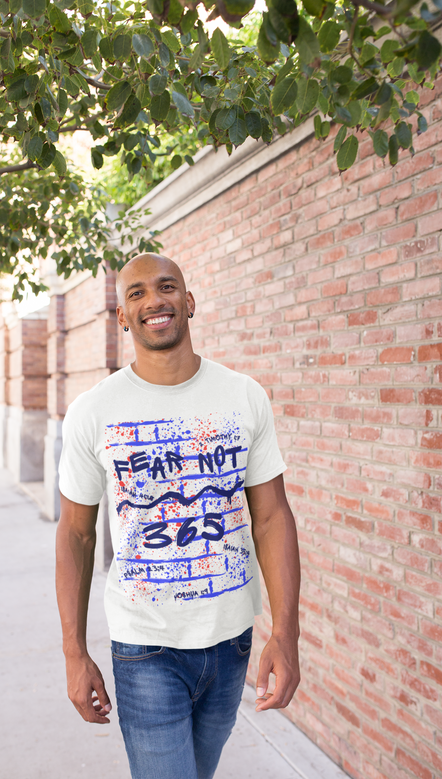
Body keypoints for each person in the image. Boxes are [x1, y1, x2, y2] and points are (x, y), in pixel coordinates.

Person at [56, 253, 301, 779]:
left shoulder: (243, 396)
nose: (153, 301)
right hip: (146, 647)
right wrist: (75, 653)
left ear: (188, 302)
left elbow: (273, 516)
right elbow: (75, 535)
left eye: (166, 287)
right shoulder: (94, 411)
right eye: (136, 293)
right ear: (123, 316)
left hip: (232, 640)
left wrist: (286, 633)